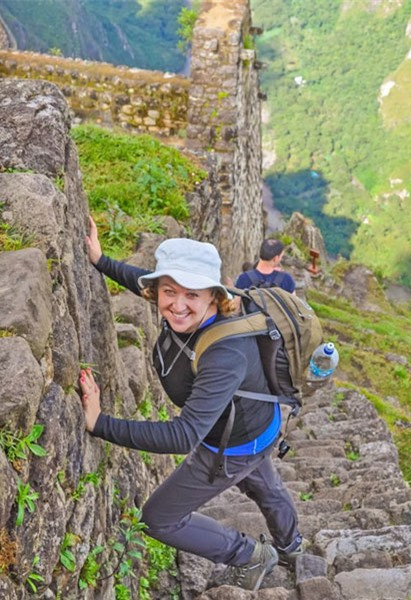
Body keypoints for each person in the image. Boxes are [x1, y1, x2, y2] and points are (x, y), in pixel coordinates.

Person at [78, 217, 303, 591]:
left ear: (214, 297)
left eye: (192, 295)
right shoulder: (182, 305)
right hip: (259, 426)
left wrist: (100, 423)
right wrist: (102, 261)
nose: (177, 305)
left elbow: (184, 436)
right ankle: (291, 545)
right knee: (266, 487)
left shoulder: (225, 354)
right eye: (169, 292)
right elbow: (144, 282)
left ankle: (249, 554)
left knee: (158, 518)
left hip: (229, 445)